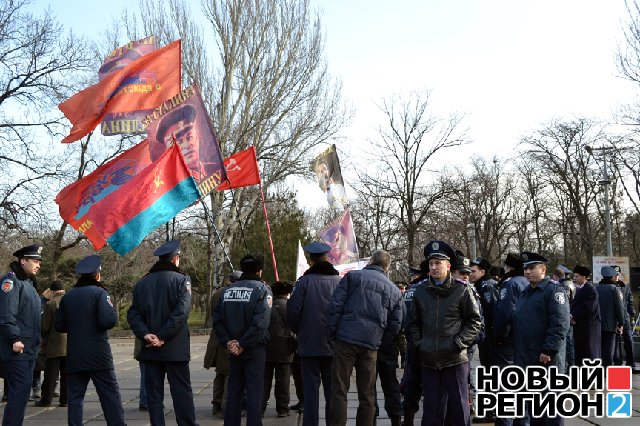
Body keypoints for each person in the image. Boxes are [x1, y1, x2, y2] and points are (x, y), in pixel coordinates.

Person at [407, 241, 481, 426]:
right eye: (431, 263)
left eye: (437, 263)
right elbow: (412, 323)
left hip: (455, 360)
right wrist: (420, 344)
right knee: (432, 410)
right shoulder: (421, 291)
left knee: (459, 408)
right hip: (429, 360)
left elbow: (474, 322)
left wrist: (457, 343)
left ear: (448, 266)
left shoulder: (461, 290)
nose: (433, 267)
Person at [326, 249, 403, 426]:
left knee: (339, 390)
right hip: (371, 344)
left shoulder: (352, 277)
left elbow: (335, 306)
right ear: (387, 267)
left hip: (345, 339)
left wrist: (332, 332)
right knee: (367, 394)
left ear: (370, 262)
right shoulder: (394, 290)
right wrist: (380, 341)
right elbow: (395, 324)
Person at [127, 240, 198, 426]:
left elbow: (133, 313)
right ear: (175, 259)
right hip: (175, 348)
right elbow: (181, 312)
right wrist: (163, 337)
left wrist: (146, 334)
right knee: (181, 392)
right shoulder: (182, 280)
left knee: (154, 396)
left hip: (150, 348)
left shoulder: (143, 282)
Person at [54, 255, 125, 426]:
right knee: (110, 395)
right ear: (97, 275)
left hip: (75, 355)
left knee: (75, 398)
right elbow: (108, 321)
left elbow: (59, 325)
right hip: (98, 355)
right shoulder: (100, 293)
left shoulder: (68, 297)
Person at [213, 254, 272, 426]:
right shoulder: (263, 290)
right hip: (254, 348)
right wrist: (243, 344)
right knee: (254, 391)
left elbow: (217, 320)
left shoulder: (227, 291)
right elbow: (261, 323)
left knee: (234, 390)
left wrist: (229, 342)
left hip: (232, 348)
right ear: (260, 271)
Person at [286, 242, 341, 426]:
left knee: (310, 393)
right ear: (328, 258)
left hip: (309, 345)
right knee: (332, 393)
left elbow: (292, 313)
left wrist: (299, 332)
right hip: (334, 346)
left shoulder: (304, 283)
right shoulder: (340, 282)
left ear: (311, 260)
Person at [512, 251, 570, 426]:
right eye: (525, 269)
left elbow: (560, 323)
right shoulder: (526, 292)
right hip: (527, 357)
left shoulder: (554, 291)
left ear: (543, 269)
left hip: (546, 360)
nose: (527, 272)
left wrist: (549, 350)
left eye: (531, 268)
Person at [0, 244, 43, 426]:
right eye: (35, 260)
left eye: (39, 261)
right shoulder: (11, 282)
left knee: (23, 392)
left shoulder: (29, 283)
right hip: (17, 348)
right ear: (22, 261)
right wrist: (14, 339)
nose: (38, 265)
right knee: (19, 391)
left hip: (29, 347)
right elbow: (6, 315)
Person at [490, 253, 528, 426]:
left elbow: (504, 313)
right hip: (525, 341)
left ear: (508, 267)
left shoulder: (510, 284)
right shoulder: (529, 282)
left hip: (508, 340)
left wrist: (497, 336)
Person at [204, 270, 241, 417]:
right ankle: (225, 408)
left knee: (220, 374)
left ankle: (216, 403)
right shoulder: (234, 294)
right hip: (228, 338)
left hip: (217, 338)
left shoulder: (217, 293)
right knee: (228, 374)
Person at [150, 104, 216, 182]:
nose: (186, 145)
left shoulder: (216, 171)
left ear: (197, 139)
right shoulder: (171, 185)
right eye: (179, 142)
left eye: (189, 137)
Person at [400, 261, 429, 426]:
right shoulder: (427, 288)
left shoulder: (410, 290)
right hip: (428, 342)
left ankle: (408, 418)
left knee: (412, 382)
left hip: (412, 342)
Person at [262, 280, 295, 417]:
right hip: (285, 348)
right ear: (287, 292)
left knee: (264, 381)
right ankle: (282, 408)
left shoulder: (266, 305)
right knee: (283, 381)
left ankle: (260, 408)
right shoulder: (290, 306)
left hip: (266, 346)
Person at [35, 280, 67, 407]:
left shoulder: (50, 304)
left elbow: (45, 327)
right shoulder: (71, 301)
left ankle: (46, 399)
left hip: (54, 344)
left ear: (53, 291)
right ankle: (65, 400)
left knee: (51, 374)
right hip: (71, 345)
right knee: (67, 374)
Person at [469, 256, 497, 369]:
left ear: (483, 272)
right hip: (484, 332)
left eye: (474, 271)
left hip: (489, 333)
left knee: (489, 364)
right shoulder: (479, 285)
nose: (471, 274)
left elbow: (492, 311)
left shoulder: (488, 286)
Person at [570, 265, 601, 366]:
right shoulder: (581, 289)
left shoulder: (590, 290)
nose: (575, 278)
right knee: (581, 350)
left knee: (589, 350)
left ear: (584, 277)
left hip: (588, 326)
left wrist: (573, 314)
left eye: (577, 276)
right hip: (581, 325)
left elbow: (589, 308)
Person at [596, 266, 624, 368]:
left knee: (600, 347)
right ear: (612, 277)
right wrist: (621, 323)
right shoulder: (614, 289)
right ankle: (607, 369)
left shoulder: (596, 288)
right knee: (610, 349)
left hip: (598, 324)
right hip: (611, 325)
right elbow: (619, 308)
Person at [612, 265, 637, 371]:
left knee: (629, 341)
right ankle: (617, 363)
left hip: (625, 318)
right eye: (614, 274)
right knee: (614, 343)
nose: (616, 276)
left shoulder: (625, 286)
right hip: (613, 319)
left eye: (617, 274)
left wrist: (632, 313)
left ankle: (631, 363)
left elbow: (630, 301)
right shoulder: (609, 287)